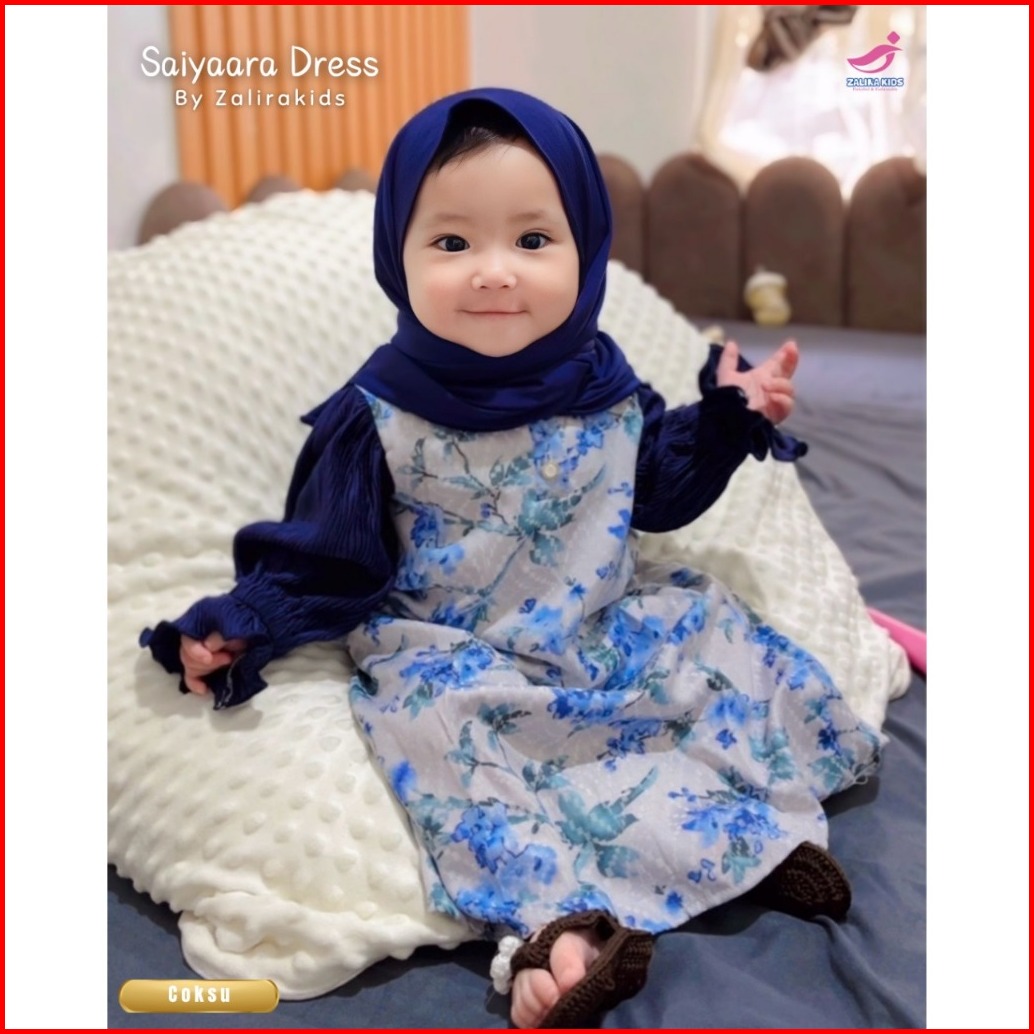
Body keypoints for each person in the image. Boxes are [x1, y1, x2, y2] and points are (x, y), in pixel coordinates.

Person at [141, 88, 883, 1029]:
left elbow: (653, 488)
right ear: (397, 257)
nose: (494, 273)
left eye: (533, 240)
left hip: (600, 620)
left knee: (716, 636)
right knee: (441, 735)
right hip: (456, 647)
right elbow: (330, 553)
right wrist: (243, 624)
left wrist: (729, 420)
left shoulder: (604, 381)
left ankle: (755, 841)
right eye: (452, 243)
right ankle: (558, 930)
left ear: (586, 248)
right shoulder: (380, 414)